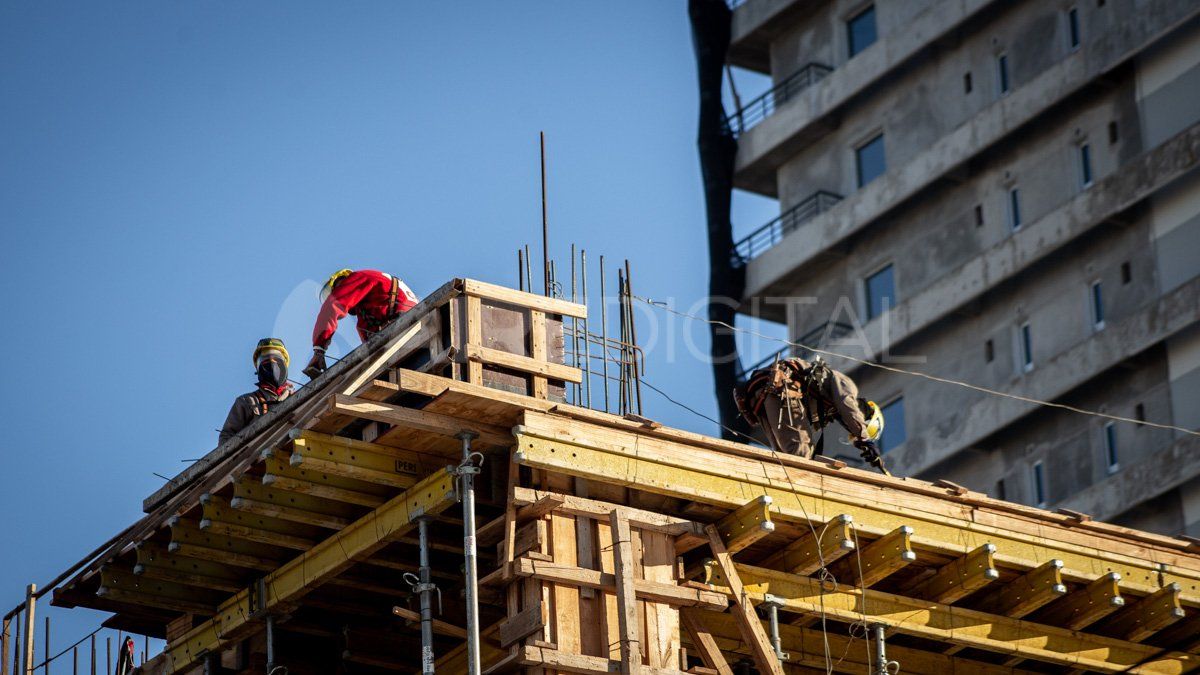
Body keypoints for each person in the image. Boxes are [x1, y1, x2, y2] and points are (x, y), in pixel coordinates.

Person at [733, 356, 889, 473]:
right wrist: (864, 438)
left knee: (784, 459)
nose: (849, 429)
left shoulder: (823, 413)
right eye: (853, 430)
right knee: (802, 452)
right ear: (866, 416)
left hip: (761, 395)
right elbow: (847, 405)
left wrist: (861, 438)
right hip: (780, 386)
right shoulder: (849, 388)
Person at [303, 269, 419, 378]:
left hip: (404, 322)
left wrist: (319, 349)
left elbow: (331, 308)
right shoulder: (369, 309)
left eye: (337, 291)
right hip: (411, 325)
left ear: (342, 281)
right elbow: (369, 348)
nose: (341, 293)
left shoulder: (358, 277)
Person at [219, 339, 293, 445]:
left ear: (285, 365)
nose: (272, 364)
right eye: (266, 360)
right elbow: (226, 440)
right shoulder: (247, 401)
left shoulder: (300, 397)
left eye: (277, 359)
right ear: (258, 369)